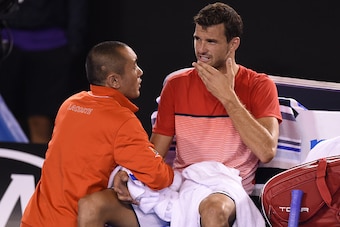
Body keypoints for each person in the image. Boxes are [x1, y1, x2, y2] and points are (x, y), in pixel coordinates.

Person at [78, 2, 282, 227]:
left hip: (227, 190)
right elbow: (156, 151)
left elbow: (266, 151)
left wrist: (228, 97)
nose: (201, 49)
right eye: (197, 39)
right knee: (92, 205)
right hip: (179, 188)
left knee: (213, 211)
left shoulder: (259, 85)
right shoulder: (176, 84)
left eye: (211, 41)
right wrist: (129, 172)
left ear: (233, 44)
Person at [20, 41, 174, 227]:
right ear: (114, 81)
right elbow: (160, 177)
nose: (140, 72)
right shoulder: (121, 121)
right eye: (134, 66)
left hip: (33, 220)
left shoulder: (70, 104)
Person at [0, 0, 89, 143]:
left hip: (51, 49)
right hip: (7, 48)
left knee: (40, 120)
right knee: (5, 121)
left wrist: (74, 45)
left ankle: (39, 164)